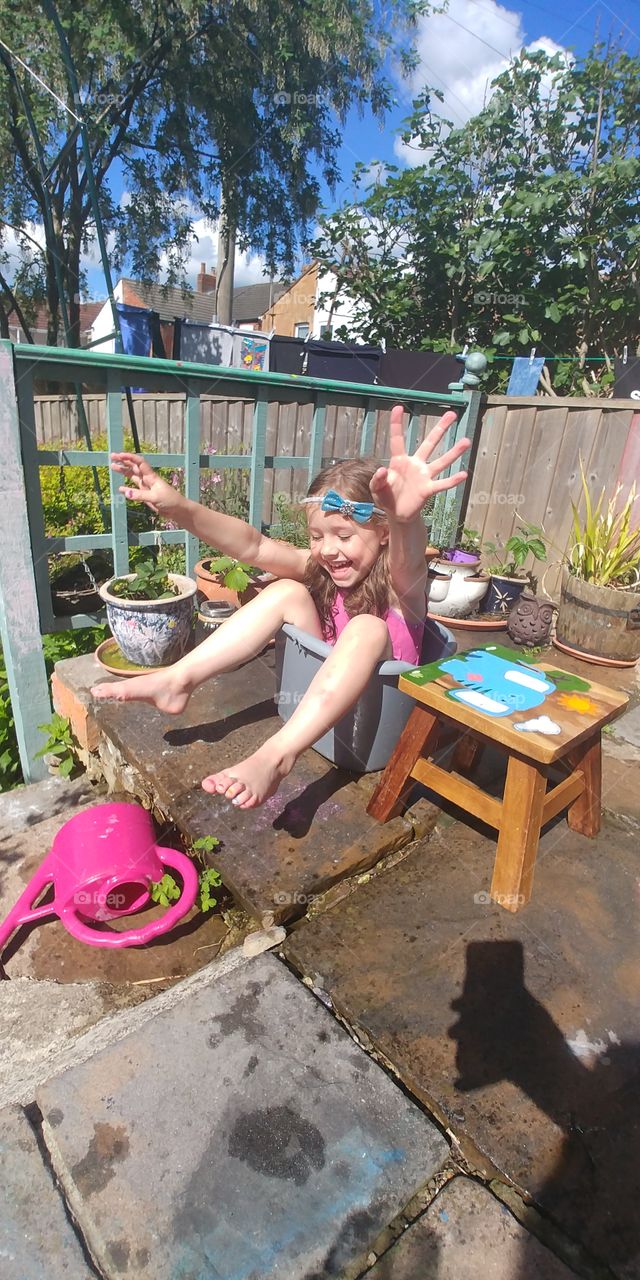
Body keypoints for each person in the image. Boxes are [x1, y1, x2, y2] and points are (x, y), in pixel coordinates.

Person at [92, 405, 470, 809]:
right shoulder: (321, 568)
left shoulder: (401, 590)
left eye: (343, 535)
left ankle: (276, 757)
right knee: (286, 589)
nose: (327, 549)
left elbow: (408, 558)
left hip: (366, 729)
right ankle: (178, 680)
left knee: (367, 628)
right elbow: (254, 546)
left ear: (381, 533)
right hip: (319, 699)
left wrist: (405, 520)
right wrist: (180, 508)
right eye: (317, 535)